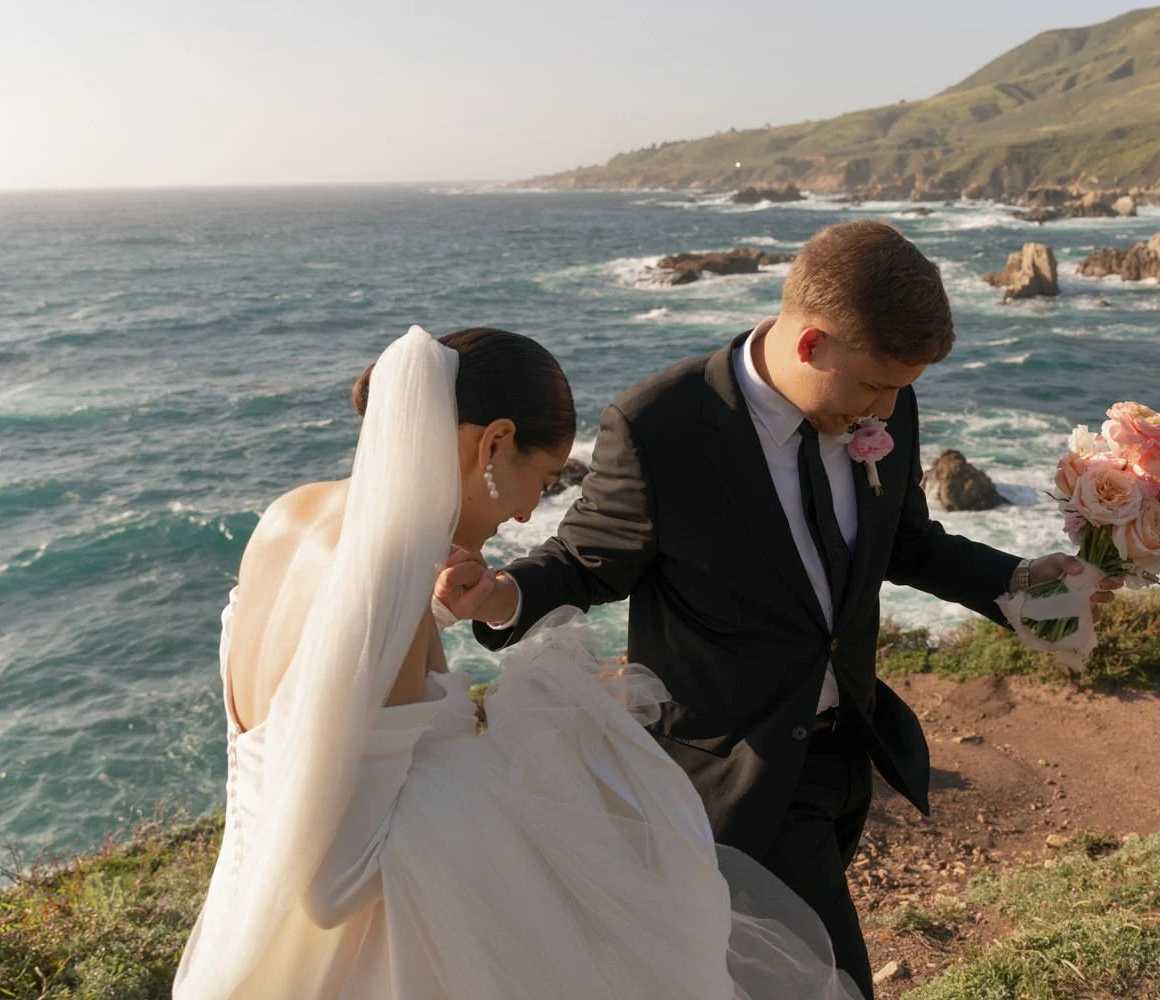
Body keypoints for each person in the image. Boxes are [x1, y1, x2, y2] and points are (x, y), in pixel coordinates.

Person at [459, 220, 1121, 997]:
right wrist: (499, 593)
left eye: (901, 390)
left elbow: (907, 544)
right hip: (737, 772)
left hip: (852, 751)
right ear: (810, 345)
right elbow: (586, 561)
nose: (886, 408)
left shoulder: (886, 407)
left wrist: (1020, 582)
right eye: (874, 386)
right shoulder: (658, 426)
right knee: (833, 983)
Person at [174, 325, 860, 999]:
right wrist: (535, 748)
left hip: (252, 934)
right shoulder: (388, 575)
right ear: (495, 443)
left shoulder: (291, 516)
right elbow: (334, 884)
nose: (532, 514)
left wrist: (434, 621)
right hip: (370, 963)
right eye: (543, 477)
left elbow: (317, 688)